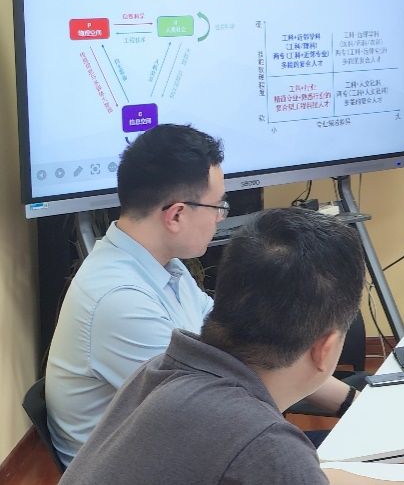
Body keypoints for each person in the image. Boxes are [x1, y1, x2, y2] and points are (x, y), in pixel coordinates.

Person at [59, 207, 404, 485]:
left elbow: (311, 476)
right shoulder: (259, 442)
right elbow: (287, 468)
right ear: (326, 349)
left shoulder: (163, 371)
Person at [47, 124, 354, 465]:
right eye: (218, 205)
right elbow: (213, 411)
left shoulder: (162, 265)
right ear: (176, 214)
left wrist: (352, 402)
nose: (220, 217)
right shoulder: (120, 300)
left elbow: (246, 351)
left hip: (187, 441)